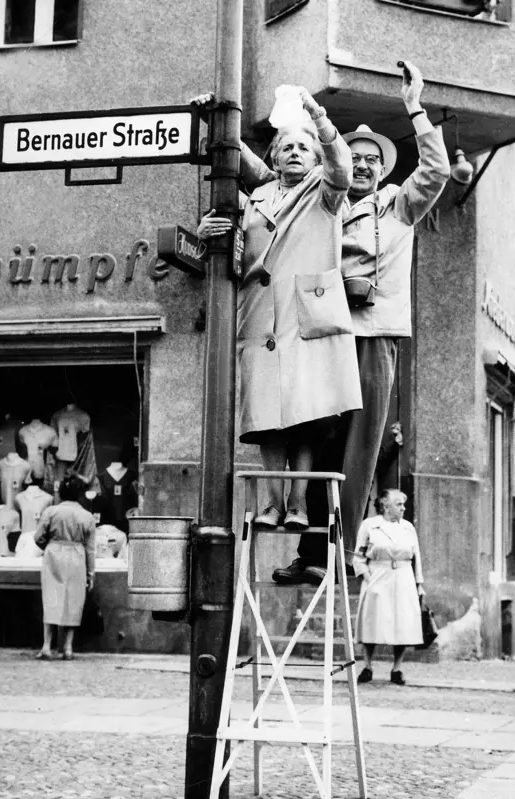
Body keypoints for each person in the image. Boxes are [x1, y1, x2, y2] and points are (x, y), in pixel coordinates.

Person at [272, 60, 450, 584]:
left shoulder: (397, 205)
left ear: (384, 169)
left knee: (359, 447)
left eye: (375, 160)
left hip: (373, 335)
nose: (367, 166)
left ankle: (339, 549)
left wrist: (414, 107)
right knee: (318, 439)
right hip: (326, 334)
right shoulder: (322, 201)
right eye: (360, 158)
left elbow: (436, 172)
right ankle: (308, 552)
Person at [196, 87, 361, 530]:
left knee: (305, 415)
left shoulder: (326, 192)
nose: (294, 152)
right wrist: (211, 235)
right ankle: (270, 505)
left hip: (303, 312)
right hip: (259, 311)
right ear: (275, 155)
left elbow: (341, 164)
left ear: (315, 158)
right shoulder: (259, 197)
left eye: (303, 147)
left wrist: (319, 120)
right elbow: (238, 251)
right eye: (286, 145)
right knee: (268, 415)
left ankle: (298, 504)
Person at [353, 488, 425, 685]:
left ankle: (397, 668)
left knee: (401, 623)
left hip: (403, 576)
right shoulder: (370, 525)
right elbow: (358, 556)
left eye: (403, 504)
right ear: (385, 505)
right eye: (398, 504)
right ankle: (367, 666)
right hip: (377, 575)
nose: (403, 508)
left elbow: (417, 558)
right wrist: (367, 577)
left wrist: (419, 584)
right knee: (372, 621)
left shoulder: (408, 527)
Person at [34, 474, 96, 660]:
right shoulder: (87, 516)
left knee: (51, 598)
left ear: (61, 492)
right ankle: (68, 648)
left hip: (53, 554)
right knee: (73, 601)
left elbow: (37, 537)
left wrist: (49, 545)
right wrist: (91, 574)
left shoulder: (51, 512)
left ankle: (46, 646)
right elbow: (91, 549)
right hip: (77, 556)